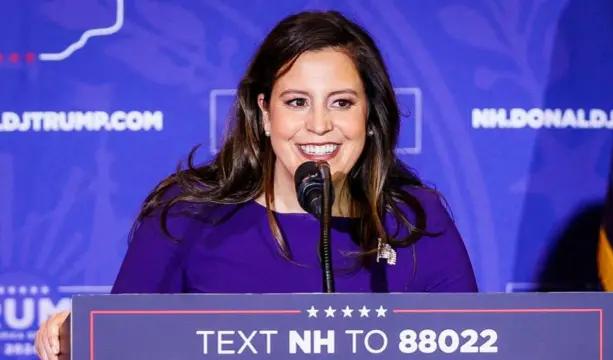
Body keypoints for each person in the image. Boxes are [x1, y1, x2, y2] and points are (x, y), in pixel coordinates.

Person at [34, 9, 478, 359]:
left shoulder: (416, 222)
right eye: (297, 102)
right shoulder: (189, 215)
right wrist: (77, 333)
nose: (319, 125)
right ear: (265, 113)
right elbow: (122, 341)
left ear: (369, 115)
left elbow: (476, 348)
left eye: (341, 102)